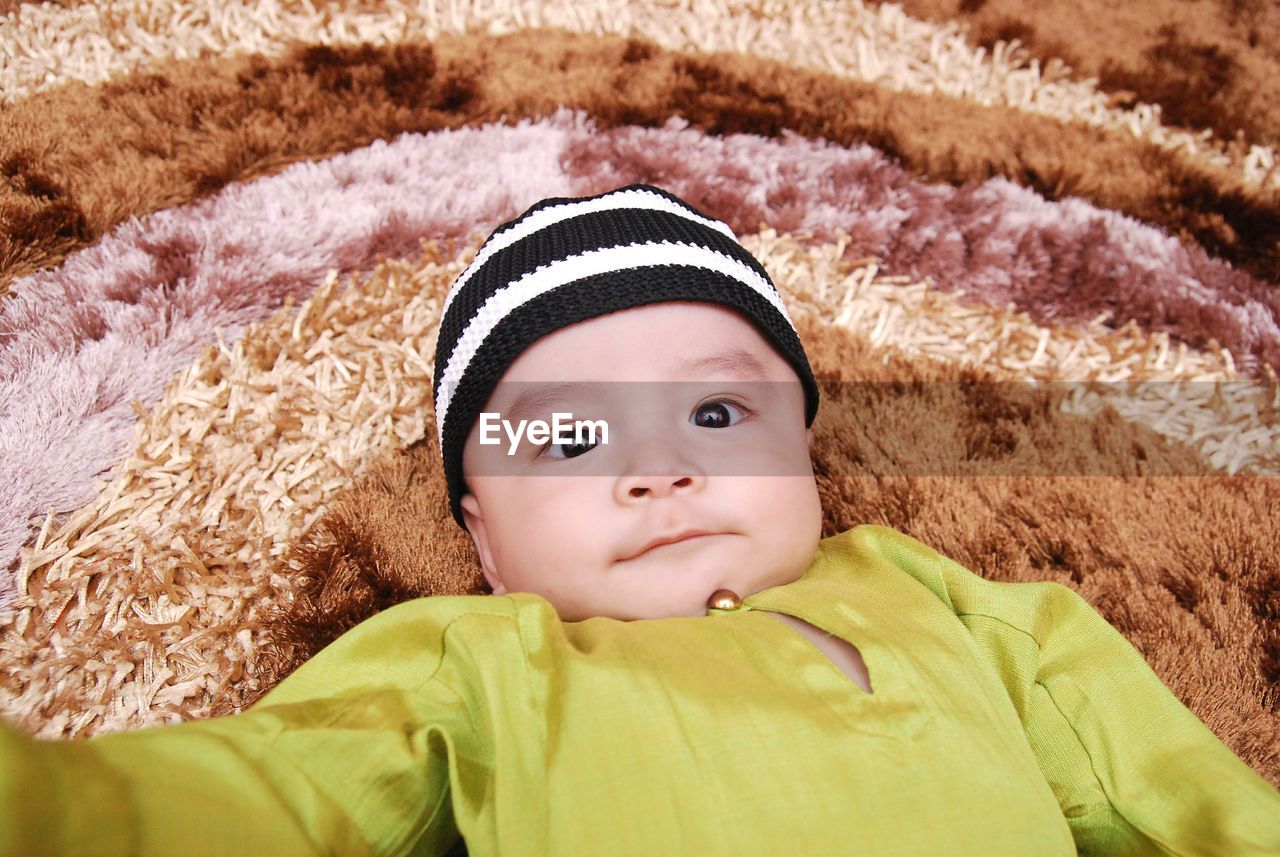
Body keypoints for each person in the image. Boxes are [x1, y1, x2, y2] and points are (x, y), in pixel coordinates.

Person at [3, 184, 1279, 856]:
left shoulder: (935, 594)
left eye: (716, 416)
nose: (657, 468)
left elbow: (1164, 790)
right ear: (484, 536)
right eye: (567, 436)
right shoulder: (479, 661)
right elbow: (273, 794)